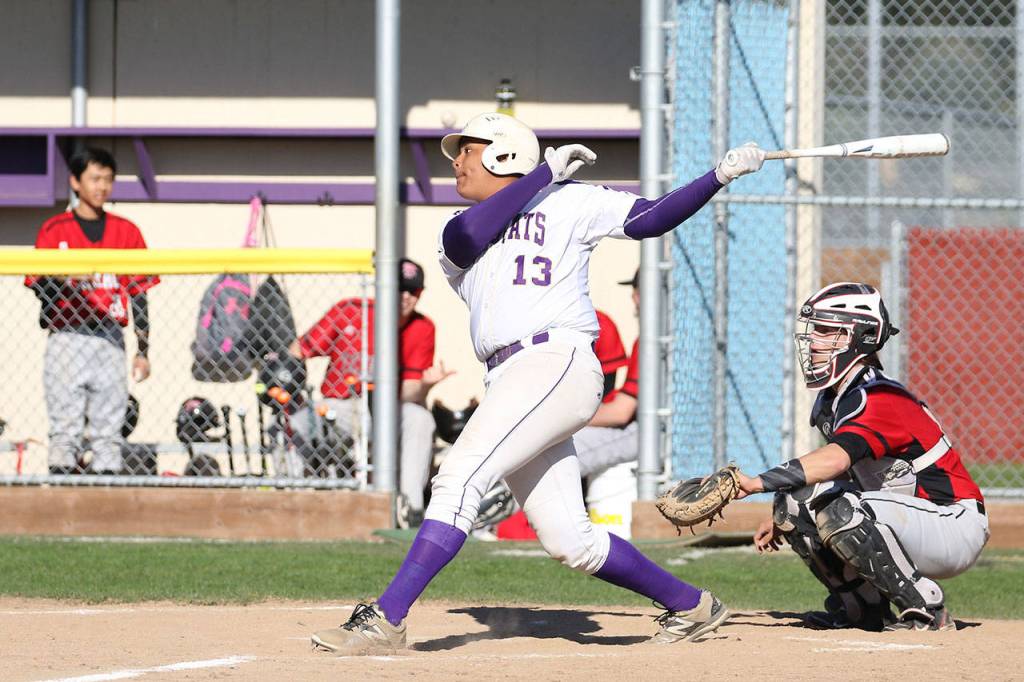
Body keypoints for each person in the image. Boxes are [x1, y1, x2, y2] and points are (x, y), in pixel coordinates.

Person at [311, 112, 765, 654]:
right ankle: (694, 605)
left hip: (555, 359)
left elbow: (650, 219)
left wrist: (718, 175)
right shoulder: (458, 225)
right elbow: (471, 236)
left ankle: (386, 618)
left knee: (458, 477)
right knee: (570, 539)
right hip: (509, 374)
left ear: (503, 154)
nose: (455, 160)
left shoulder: (573, 201)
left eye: (468, 149)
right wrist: (542, 177)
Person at [733, 282, 988, 632]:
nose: (813, 341)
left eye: (826, 330)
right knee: (793, 501)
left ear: (861, 336)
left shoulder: (878, 396)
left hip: (954, 523)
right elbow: (845, 476)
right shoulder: (837, 398)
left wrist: (754, 483)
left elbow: (835, 461)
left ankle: (925, 605)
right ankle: (861, 609)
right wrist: (783, 511)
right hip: (911, 519)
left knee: (837, 508)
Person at [25, 147, 158, 475]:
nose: (102, 187)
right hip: (67, 335)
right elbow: (39, 288)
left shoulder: (127, 231)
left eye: (108, 180)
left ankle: (106, 508)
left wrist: (143, 349)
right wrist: (64, 277)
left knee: (108, 431)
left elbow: (138, 294)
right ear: (75, 181)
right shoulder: (55, 229)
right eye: (94, 178)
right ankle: (63, 505)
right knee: (65, 429)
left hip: (109, 334)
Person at [288, 258, 452, 523]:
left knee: (420, 418)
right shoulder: (351, 310)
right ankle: (291, 498)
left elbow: (410, 390)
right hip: (339, 406)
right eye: (400, 288)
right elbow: (298, 350)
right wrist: (287, 379)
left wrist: (425, 385)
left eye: (413, 291)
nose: (406, 296)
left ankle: (410, 509)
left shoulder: (422, 327)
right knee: (294, 419)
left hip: (387, 409)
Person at [574, 270, 642, 480]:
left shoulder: (652, 341)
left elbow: (620, 413)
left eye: (636, 290)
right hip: (650, 428)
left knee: (558, 454)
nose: (633, 298)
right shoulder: (660, 335)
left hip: (650, 433)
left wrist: (556, 418)